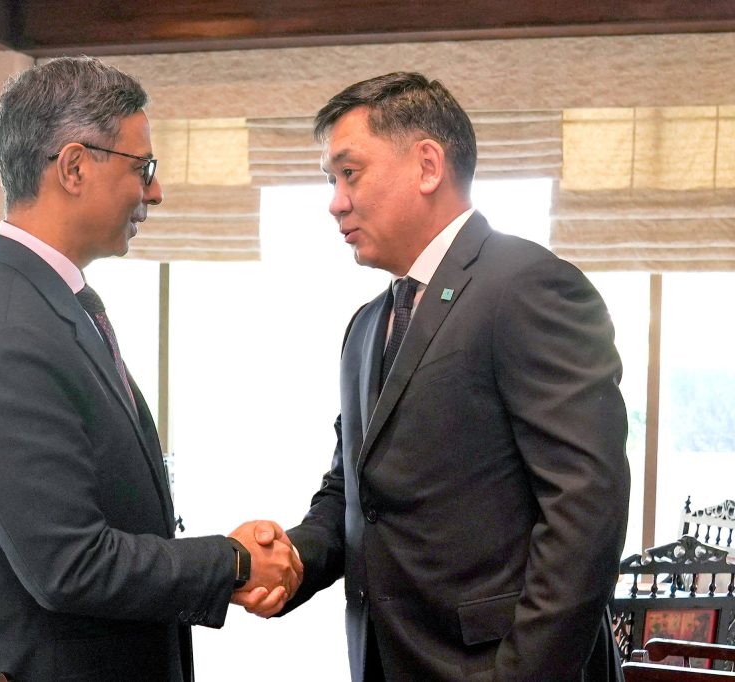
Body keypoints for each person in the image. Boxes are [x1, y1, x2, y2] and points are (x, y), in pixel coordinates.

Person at [0, 56, 301, 682]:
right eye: (141, 167)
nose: (156, 191)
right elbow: (69, 565)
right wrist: (231, 563)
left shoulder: (45, 306)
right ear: (73, 167)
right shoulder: (7, 333)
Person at [236, 72, 631, 681]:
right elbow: (353, 494)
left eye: (349, 172)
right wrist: (291, 561)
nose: (335, 201)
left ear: (427, 165)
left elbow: (586, 512)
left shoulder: (529, 285)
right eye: (331, 180)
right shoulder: (367, 325)